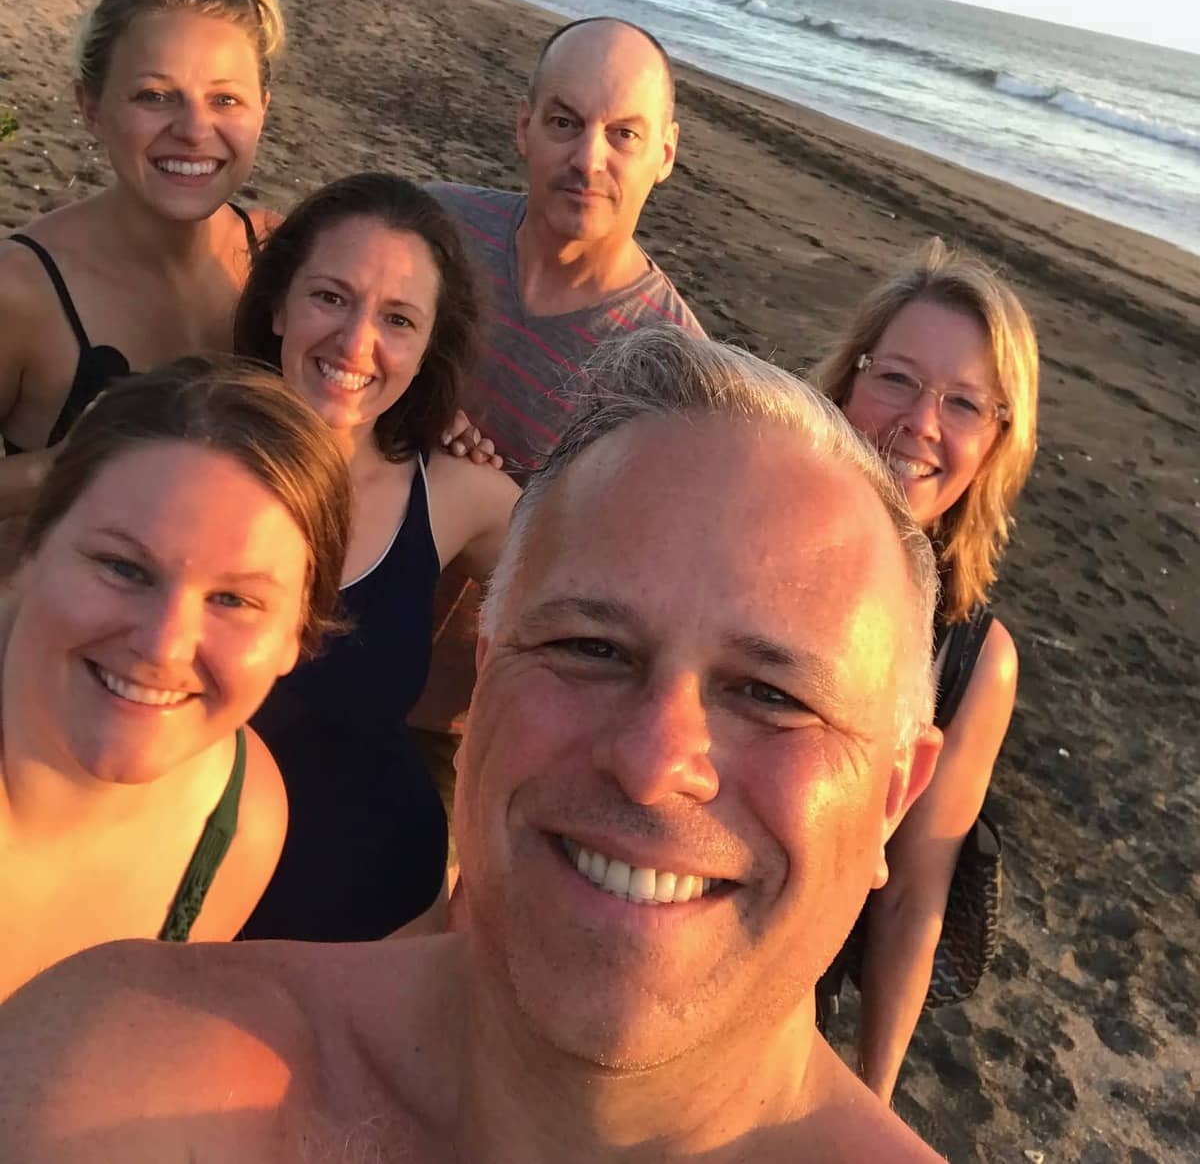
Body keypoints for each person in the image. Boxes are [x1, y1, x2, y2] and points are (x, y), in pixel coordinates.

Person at [0, 329, 945, 1163]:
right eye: (590, 648)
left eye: (773, 696)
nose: (656, 762)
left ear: (897, 797)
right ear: (485, 678)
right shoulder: (115, 1078)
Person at [0, 356, 350, 1002]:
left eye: (235, 601)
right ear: (30, 552)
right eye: (124, 568)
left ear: (296, 639)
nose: (165, 645)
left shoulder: (240, 822)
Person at [233, 173, 517, 941]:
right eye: (330, 297)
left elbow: (600, 605)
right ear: (277, 304)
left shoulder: (459, 497)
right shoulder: (184, 455)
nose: (357, 342)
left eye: (398, 319)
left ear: (428, 351)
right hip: (192, 924)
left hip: (387, 920)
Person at [415, 15, 705, 756]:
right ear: (524, 127)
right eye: (565, 122)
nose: (588, 158)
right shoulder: (429, 231)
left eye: (624, 135)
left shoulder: (672, 378)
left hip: (470, 733)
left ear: (665, 153)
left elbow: (639, 603)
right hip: (304, 641)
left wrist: (498, 504)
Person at [811, 238, 1039, 1102]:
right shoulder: (747, 542)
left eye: (966, 404)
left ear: (997, 442)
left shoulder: (977, 664)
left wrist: (870, 1103)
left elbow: (911, 899)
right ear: (848, 381)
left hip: (792, 1008)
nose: (922, 423)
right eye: (896, 378)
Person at [0, 0, 282, 528]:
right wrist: (72, 463)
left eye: (225, 100)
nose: (193, 129)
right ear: (91, 106)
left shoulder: (281, 256)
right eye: (155, 96)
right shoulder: (22, 290)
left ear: (264, 108)